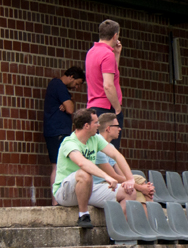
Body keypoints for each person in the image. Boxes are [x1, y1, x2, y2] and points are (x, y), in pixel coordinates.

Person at [52, 109, 136, 227]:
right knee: (84, 174)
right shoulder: (69, 143)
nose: (99, 125)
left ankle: (117, 232)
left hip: (88, 189)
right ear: (87, 126)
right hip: (65, 193)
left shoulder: (95, 139)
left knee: (129, 193)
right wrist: (106, 177)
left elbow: (116, 155)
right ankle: (83, 215)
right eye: (96, 122)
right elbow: (82, 163)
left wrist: (130, 179)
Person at [44, 66, 85, 202]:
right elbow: (70, 109)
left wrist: (69, 101)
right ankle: (56, 200)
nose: (76, 87)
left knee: (60, 165)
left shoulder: (59, 88)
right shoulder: (59, 85)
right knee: (58, 165)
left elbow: (68, 106)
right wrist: (69, 103)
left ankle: (58, 200)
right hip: (57, 131)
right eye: (76, 83)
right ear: (71, 76)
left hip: (56, 131)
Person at [93, 112, 154, 203]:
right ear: (108, 129)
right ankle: (147, 214)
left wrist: (143, 187)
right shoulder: (97, 146)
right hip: (102, 184)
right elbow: (113, 175)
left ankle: (151, 215)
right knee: (137, 190)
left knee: (139, 179)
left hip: (112, 181)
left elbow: (121, 174)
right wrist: (141, 188)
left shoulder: (111, 147)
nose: (120, 128)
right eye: (117, 126)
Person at [85, 19, 125, 150]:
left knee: (96, 150)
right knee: (109, 152)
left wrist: (116, 55)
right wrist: (117, 108)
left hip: (93, 106)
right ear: (115, 35)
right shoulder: (107, 55)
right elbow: (108, 85)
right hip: (107, 108)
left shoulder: (91, 52)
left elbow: (110, 75)